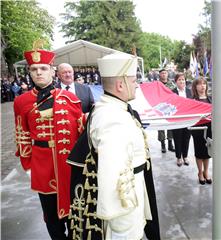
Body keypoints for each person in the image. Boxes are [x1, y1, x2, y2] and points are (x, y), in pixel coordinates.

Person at [68, 53, 157, 239]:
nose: (137, 85)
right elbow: (112, 174)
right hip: (124, 202)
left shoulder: (112, 108)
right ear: (120, 84)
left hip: (134, 187)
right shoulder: (112, 118)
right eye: (133, 81)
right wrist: (120, 216)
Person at [13, 41, 85, 239]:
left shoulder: (70, 100)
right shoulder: (21, 101)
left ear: (52, 71)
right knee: (50, 215)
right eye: (34, 69)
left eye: (43, 68)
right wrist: (27, 166)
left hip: (67, 163)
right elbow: (22, 135)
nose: (38, 73)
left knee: (73, 211)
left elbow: (80, 133)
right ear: (29, 71)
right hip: (41, 165)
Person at [191, 77, 212, 185]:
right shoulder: (193, 100)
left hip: (209, 128)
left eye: (204, 83)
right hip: (198, 129)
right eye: (200, 84)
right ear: (195, 86)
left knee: (208, 151)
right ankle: (200, 172)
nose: (202, 86)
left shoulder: (211, 99)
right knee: (199, 152)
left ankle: (206, 171)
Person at [172, 73, 192, 167]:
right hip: (176, 120)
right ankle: (178, 157)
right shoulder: (172, 92)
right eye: (179, 80)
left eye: (183, 79)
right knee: (177, 138)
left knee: (186, 138)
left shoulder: (189, 92)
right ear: (176, 82)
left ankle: (185, 156)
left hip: (188, 119)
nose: (181, 81)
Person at [158, 68, 176, 153]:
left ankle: (170, 144)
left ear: (167, 74)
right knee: (161, 126)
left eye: (165, 73)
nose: (164, 75)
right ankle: (163, 145)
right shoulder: (157, 84)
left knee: (170, 125)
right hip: (159, 107)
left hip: (169, 107)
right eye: (162, 73)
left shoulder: (171, 84)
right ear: (160, 75)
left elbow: (175, 94)